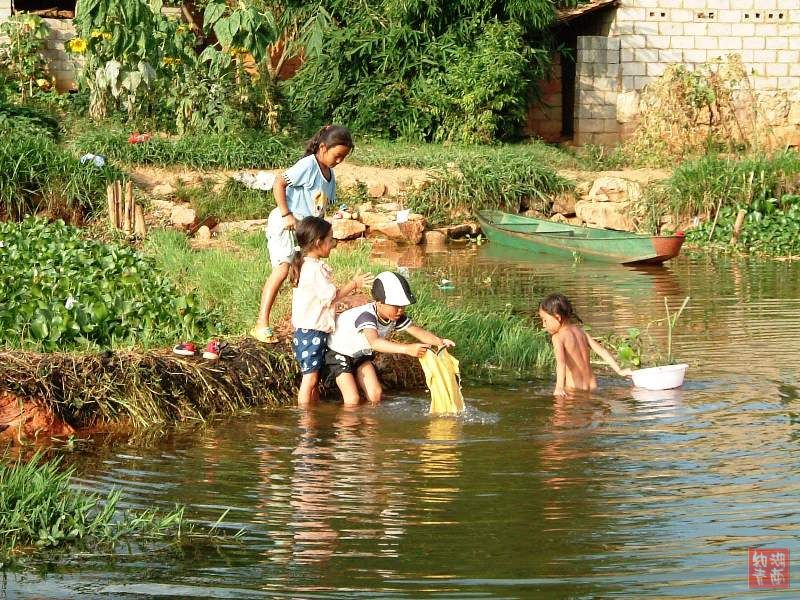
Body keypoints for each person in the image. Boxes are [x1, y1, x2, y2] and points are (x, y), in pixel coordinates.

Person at [251, 125, 354, 344]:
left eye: (343, 158)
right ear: (323, 147)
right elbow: (279, 182)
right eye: (337, 156)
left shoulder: (330, 175)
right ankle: (261, 323)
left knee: (305, 274)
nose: (339, 161)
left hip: (305, 231)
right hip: (286, 223)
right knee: (283, 269)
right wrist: (286, 214)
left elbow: (320, 209)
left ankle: (301, 321)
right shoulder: (309, 165)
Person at [325, 271, 455, 407]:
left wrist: (440, 341)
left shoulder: (394, 317)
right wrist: (407, 349)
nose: (400, 310)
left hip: (360, 355)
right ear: (379, 302)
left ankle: (369, 427)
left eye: (403, 306)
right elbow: (375, 343)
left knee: (375, 394)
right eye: (396, 306)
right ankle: (346, 428)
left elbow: (417, 331)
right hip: (338, 354)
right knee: (352, 399)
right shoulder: (367, 316)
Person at [289, 217, 373, 408]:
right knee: (309, 378)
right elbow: (331, 297)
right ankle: (305, 418)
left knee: (313, 376)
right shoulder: (314, 270)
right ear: (318, 243)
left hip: (310, 331)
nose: (333, 245)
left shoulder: (308, 265)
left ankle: (312, 411)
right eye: (331, 240)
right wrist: (354, 284)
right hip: (311, 333)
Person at [538, 293, 632, 397]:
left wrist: (559, 387)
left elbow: (561, 363)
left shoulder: (558, 337)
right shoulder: (581, 332)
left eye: (545, 320)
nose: (543, 324)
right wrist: (619, 370)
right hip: (593, 387)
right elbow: (602, 351)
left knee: (560, 412)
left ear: (557, 317)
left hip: (575, 389)